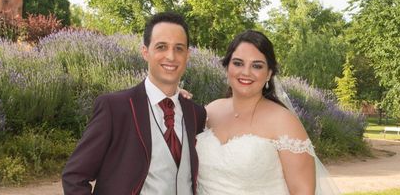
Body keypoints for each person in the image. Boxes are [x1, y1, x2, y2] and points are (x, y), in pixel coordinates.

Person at [62, 11, 207, 195]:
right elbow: (74, 176)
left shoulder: (196, 114)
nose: (171, 56)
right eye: (161, 47)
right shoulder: (115, 108)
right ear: (145, 52)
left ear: (188, 55)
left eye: (179, 48)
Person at [196, 29, 339, 195]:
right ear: (227, 67)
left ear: (269, 74)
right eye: (238, 63)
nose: (246, 72)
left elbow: (303, 191)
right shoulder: (210, 110)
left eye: (256, 66)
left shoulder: (283, 121)